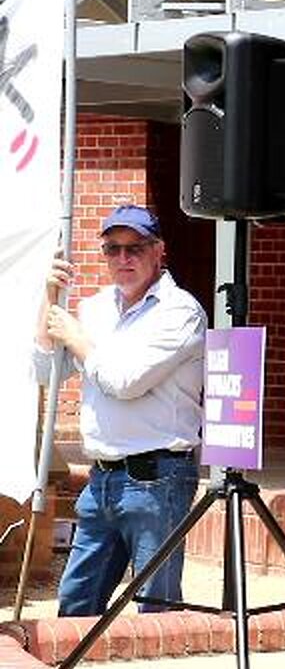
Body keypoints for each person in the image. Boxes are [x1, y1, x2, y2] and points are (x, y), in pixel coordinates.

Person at [34, 204, 206, 616]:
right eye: (113, 249)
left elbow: (124, 381)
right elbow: (46, 372)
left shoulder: (180, 311)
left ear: (158, 250)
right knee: (75, 606)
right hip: (101, 481)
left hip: (158, 478)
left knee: (155, 608)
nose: (123, 258)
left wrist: (75, 336)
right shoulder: (94, 309)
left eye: (135, 247)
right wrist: (48, 299)